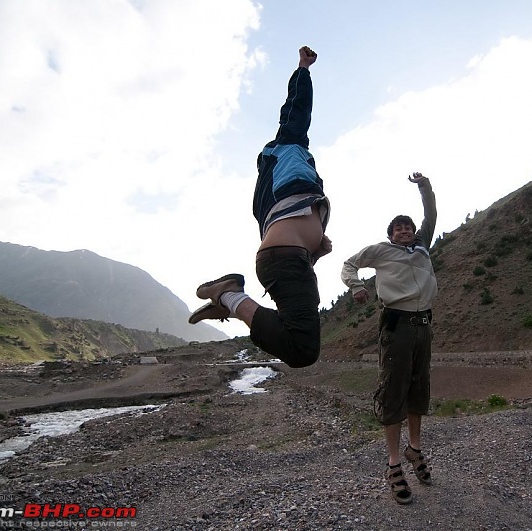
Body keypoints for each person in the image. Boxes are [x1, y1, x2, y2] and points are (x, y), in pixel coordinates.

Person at [189, 46, 331, 369]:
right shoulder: (288, 146)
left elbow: (282, 235)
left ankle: (231, 300)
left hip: (285, 261)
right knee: (302, 348)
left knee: (301, 345)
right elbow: (296, 110)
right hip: (286, 261)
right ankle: (229, 297)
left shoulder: (267, 198)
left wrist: (314, 247)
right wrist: (303, 70)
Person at [340, 172, 438, 504]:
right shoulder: (382, 251)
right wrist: (356, 286)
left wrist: (423, 186)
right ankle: (394, 465)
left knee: (418, 388)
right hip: (396, 327)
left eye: (407, 227)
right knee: (393, 391)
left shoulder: (423, 246)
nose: (405, 230)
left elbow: (431, 213)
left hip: (424, 326)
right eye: (398, 228)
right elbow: (349, 263)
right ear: (390, 235)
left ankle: (415, 449)